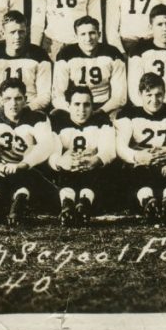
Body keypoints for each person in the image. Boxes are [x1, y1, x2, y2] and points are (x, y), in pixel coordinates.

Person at [0, 78, 55, 225]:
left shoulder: (38, 117)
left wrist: (23, 164)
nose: (13, 103)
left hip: (24, 168)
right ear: (1, 100)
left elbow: (46, 145)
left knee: (31, 174)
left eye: (18, 98)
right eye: (8, 98)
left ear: (25, 99)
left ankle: (19, 204)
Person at [114, 73, 166, 221]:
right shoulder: (128, 114)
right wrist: (137, 156)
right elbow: (120, 147)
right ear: (140, 94)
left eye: (159, 95)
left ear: (164, 94)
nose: (154, 100)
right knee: (137, 173)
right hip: (141, 164)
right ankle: (149, 202)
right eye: (149, 94)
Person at [48, 85, 115, 225]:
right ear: (68, 105)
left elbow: (108, 150)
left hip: (92, 170)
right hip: (67, 171)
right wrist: (61, 161)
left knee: (104, 172)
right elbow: (52, 153)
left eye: (86, 105)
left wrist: (95, 160)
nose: (82, 109)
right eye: (77, 104)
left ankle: (85, 204)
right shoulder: (58, 122)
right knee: (60, 174)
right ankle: (67, 203)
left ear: (92, 106)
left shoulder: (102, 122)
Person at [0, 11, 52, 111]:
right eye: (12, 32)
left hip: (31, 109)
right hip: (0, 110)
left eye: (21, 32)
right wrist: (2, 112)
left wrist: (27, 109)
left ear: (27, 31)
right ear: (3, 33)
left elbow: (44, 95)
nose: (17, 37)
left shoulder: (39, 55)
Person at [51, 18, 126, 114]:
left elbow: (120, 97)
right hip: (76, 106)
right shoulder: (65, 55)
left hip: (104, 106)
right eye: (83, 34)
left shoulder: (113, 53)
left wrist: (100, 111)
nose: (88, 38)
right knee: (55, 115)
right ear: (76, 36)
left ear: (99, 34)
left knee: (119, 117)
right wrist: (74, 111)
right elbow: (58, 95)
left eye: (92, 33)